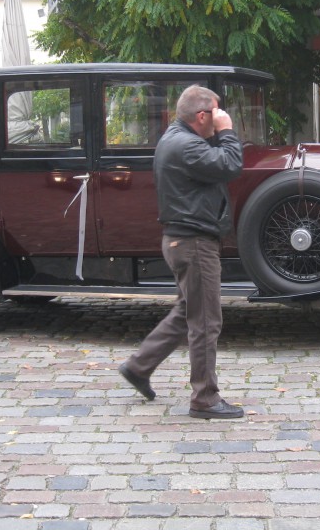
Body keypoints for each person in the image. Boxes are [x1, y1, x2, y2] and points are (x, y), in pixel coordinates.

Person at [118, 85, 245, 419]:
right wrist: (228, 131)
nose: (219, 118)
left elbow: (214, 163)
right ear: (201, 116)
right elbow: (230, 165)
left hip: (182, 240)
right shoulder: (186, 146)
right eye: (215, 113)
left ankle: (139, 366)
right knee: (205, 321)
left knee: (187, 311)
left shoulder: (177, 139)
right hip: (194, 243)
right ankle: (204, 398)